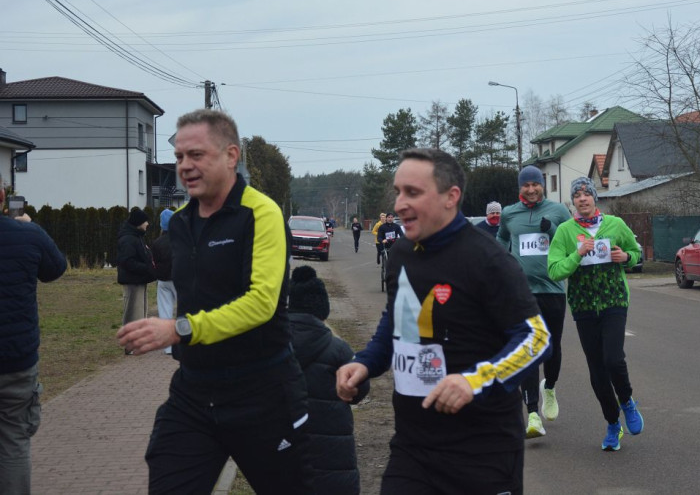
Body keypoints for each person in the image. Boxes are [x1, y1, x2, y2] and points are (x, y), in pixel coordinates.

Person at [116, 109, 312, 494]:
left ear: (231, 156)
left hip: (263, 393)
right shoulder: (184, 220)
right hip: (194, 393)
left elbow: (261, 304)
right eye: (179, 157)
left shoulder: (261, 213)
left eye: (197, 155)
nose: (185, 166)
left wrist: (178, 329)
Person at [336, 148, 550, 495]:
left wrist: (475, 381)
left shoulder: (488, 259)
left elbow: (536, 339)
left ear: (451, 197)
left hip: (482, 455)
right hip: (413, 450)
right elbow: (397, 321)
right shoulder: (402, 254)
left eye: (413, 193)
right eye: (398, 191)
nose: (400, 203)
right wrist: (365, 363)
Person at [547, 176, 644, 452]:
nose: (582, 199)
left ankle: (627, 401)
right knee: (597, 372)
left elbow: (636, 253)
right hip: (584, 306)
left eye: (586, 194)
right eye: (576, 196)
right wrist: (577, 254)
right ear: (572, 202)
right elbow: (554, 270)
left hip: (614, 300)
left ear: (594, 197)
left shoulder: (616, 224)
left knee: (613, 358)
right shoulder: (565, 231)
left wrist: (625, 258)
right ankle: (613, 424)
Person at [0, 174, 67, 495]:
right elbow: (55, 269)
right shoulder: (28, 234)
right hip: (16, 359)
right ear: (2, 196)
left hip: (18, 356)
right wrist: (29, 226)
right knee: (13, 439)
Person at [497, 165, 572, 440]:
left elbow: (571, 244)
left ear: (543, 186)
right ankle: (531, 414)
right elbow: (502, 239)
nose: (530, 189)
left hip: (552, 289)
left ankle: (549, 388)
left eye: (535, 184)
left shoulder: (559, 212)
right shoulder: (509, 213)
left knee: (551, 348)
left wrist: (551, 229)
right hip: (522, 293)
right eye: (526, 185)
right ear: (520, 188)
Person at [288, 265, 369, 495]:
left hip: (286, 453)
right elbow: (360, 390)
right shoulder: (339, 350)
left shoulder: (274, 349)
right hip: (333, 460)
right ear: (322, 309)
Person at [116, 207, 154, 334]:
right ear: (138, 222)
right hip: (132, 281)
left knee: (140, 313)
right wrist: (147, 268)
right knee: (133, 314)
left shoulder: (137, 237)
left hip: (139, 280)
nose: (147, 224)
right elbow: (127, 262)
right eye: (145, 221)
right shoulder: (128, 239)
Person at [150, 208, 176, 355]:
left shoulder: (156, 243)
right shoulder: (180, 239)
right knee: (184, 311)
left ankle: (168, 347)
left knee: (165, 311)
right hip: (179, 280)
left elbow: (154, 262)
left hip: (163, 280)